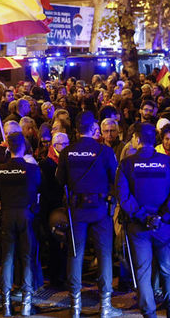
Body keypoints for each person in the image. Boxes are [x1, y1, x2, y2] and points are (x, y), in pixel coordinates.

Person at [116, 122, 170, 318]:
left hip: (139, 227)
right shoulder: (169, 162)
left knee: (143, 273)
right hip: (164, 226)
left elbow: (123, 196)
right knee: (168, 271)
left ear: (136, 139)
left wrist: (143, 216)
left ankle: (149, 314)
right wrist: (165, 215)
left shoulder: (127, 163)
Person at [56, 112, 120, 318]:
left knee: (75, 254)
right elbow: (115, 179)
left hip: (76, 209)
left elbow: (60, 180)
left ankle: (75, 304)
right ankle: (105, 305)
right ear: (94, 129)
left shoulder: (67, 152)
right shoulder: (105, 151)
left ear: (76, 129)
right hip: (101, 208)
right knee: (104, 255)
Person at [0, 133, 41, 317]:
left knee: (7, 257)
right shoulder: (32, 169)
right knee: (27, 257)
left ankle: (6, 303)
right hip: (26, 214)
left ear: (8, 147)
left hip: (7, 213)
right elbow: (38, 188)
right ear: (23, 147)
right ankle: (26, 303)